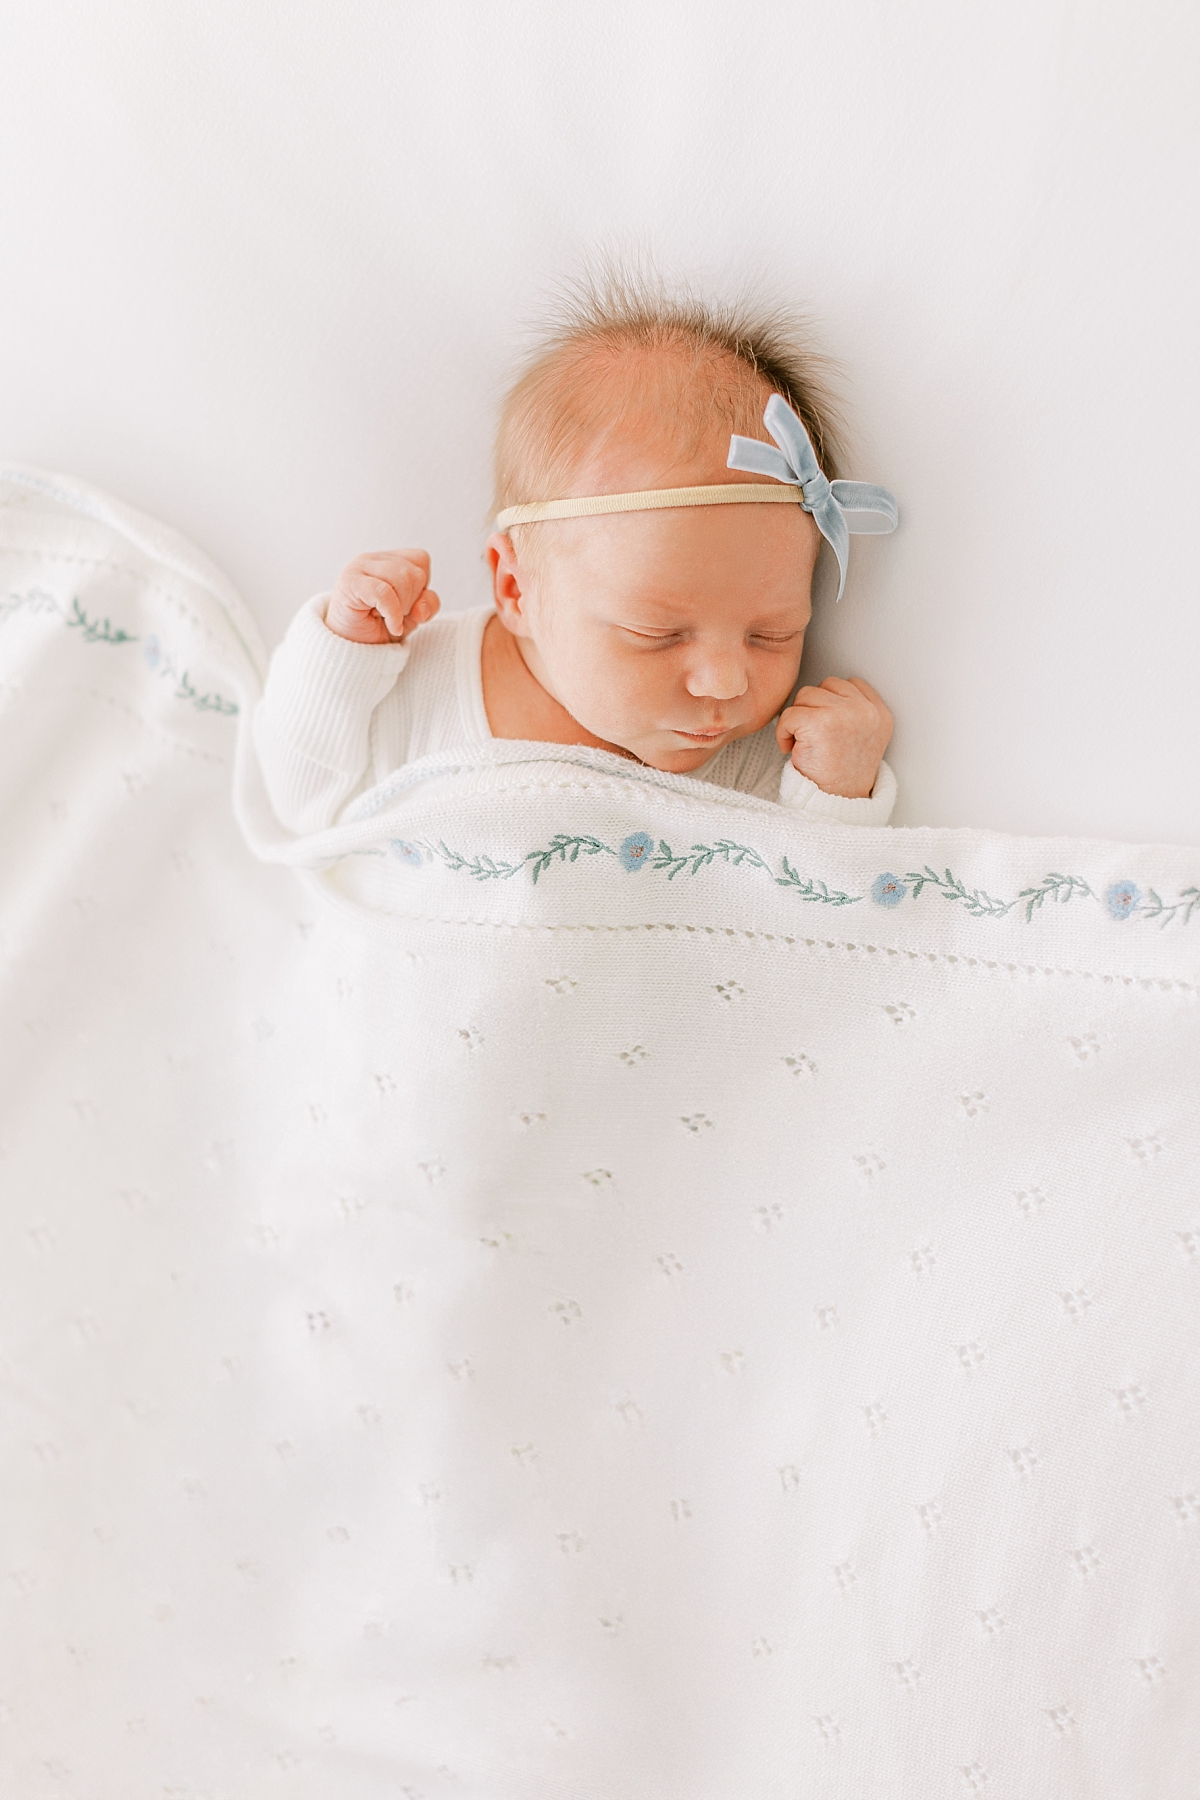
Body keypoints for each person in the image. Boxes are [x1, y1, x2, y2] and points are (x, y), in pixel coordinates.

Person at [255, 277, 899, 836]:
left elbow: (799, 906)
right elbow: (302, 801)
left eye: (773, 634)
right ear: (515, 588)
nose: (727, 683)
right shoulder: (420, 686)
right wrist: (341, 655)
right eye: (656, 633)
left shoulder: (750, 750)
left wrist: (835, 792)